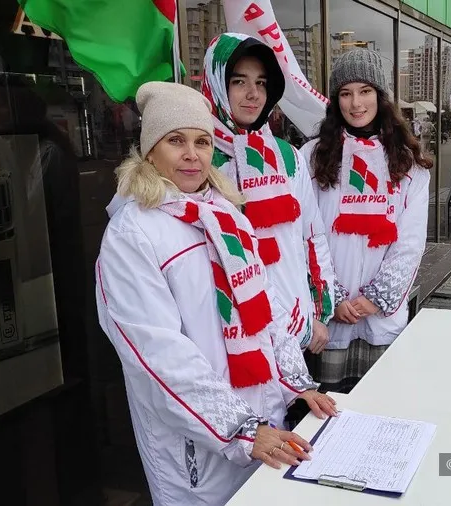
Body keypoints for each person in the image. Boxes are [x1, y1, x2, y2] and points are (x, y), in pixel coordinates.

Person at [95, 81, 336, 505]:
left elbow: (267, 314)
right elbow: (157, 357)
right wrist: (239, 428)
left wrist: (297, 385)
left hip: (264, 424)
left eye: (202, 141)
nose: (192, 154)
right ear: (150, 151)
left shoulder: (227, 216)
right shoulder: (132, 234)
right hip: (197, 444)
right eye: (176, 141)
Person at [300, 48, 431, 393]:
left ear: (381, 96)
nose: (356, 103)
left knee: (381, 406)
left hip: (381, 317)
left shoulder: (408, 164)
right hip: (332, 318)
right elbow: (308, 235)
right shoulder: (312, 157)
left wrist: (376, 298)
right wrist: (333, 297)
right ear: (335, 101)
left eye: (365, 91)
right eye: (345, 93)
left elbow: (410, 243)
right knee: (330, 414)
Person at [201, 33, 337, 357]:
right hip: (235, 345)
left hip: (298, 335)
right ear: (217, 83)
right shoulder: (200, 164)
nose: (253, 94)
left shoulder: (288, 157)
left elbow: (312, 236)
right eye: (239, 81)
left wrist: (320, 313)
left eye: (261, 83)